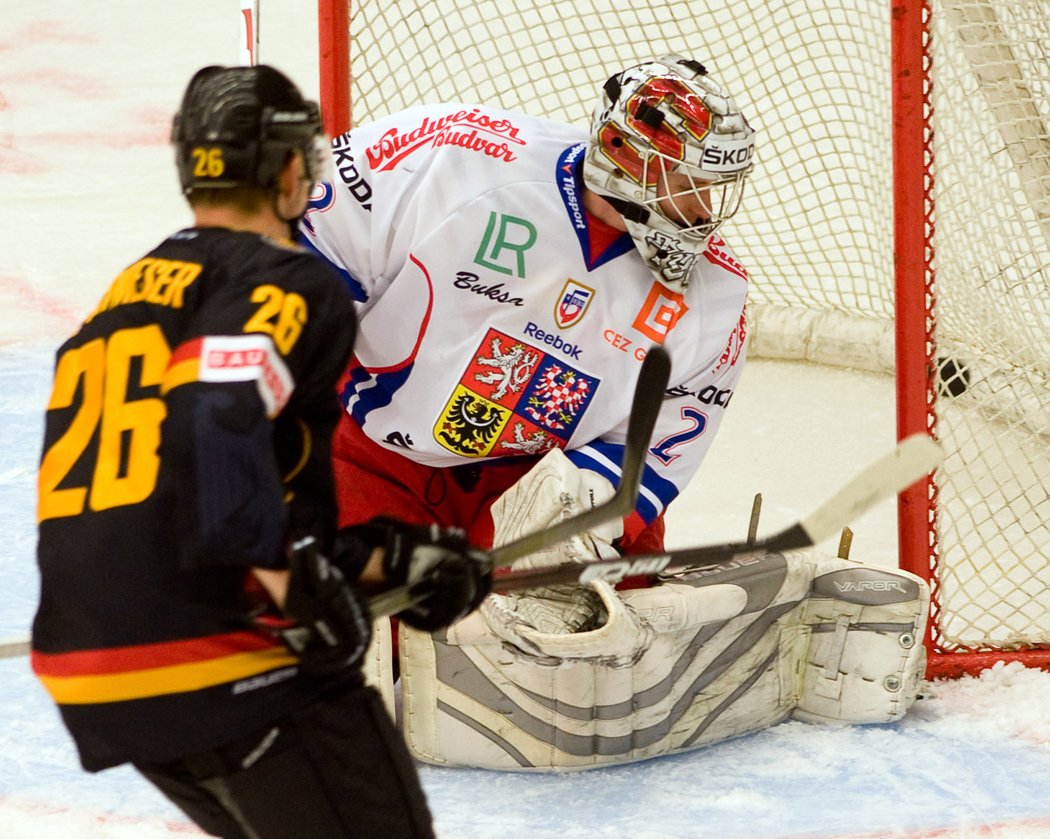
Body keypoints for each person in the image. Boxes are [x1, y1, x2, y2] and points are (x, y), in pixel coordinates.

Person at [31, 64, 490, 838]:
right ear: (287, 168)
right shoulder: (286, 280)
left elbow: (173, 494)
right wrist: (295, 585)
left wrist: (386, 561)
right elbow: (215, 416)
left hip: (94, 666)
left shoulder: (120, 298)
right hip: (220, 656)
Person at [299, 54, 755, 632]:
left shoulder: (716, 295)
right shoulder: (453, 158)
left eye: (712, 190)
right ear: (625, 158)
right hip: (378, 462)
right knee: (342, 643)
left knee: (608, 643)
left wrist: (574, 520)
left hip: (543, 488)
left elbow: (661, 447)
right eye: (688, 186)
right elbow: (306, 263)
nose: (704, 212)